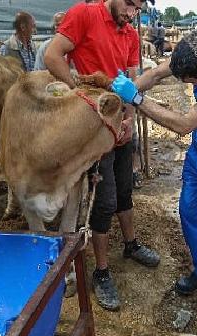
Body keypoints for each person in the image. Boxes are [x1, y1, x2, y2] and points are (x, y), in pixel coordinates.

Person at [110, 30, 197, 336]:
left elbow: (184, 123)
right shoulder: (191, 54)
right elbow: (156, 75)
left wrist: (135, 99)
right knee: (188, 213)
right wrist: (126, 89)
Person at [44, 0, 160, 312]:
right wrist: (78, 95)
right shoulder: (83, 14)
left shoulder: (131, 33)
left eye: (138, 9)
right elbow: (52, 55)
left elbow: (132, 81)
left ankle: (131, 244)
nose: (131, 13)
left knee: (125, 189)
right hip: (95, 126)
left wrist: (130, 118)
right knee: (104, 199)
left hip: (120, 121)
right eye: (129, 5)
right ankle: (101, 270)